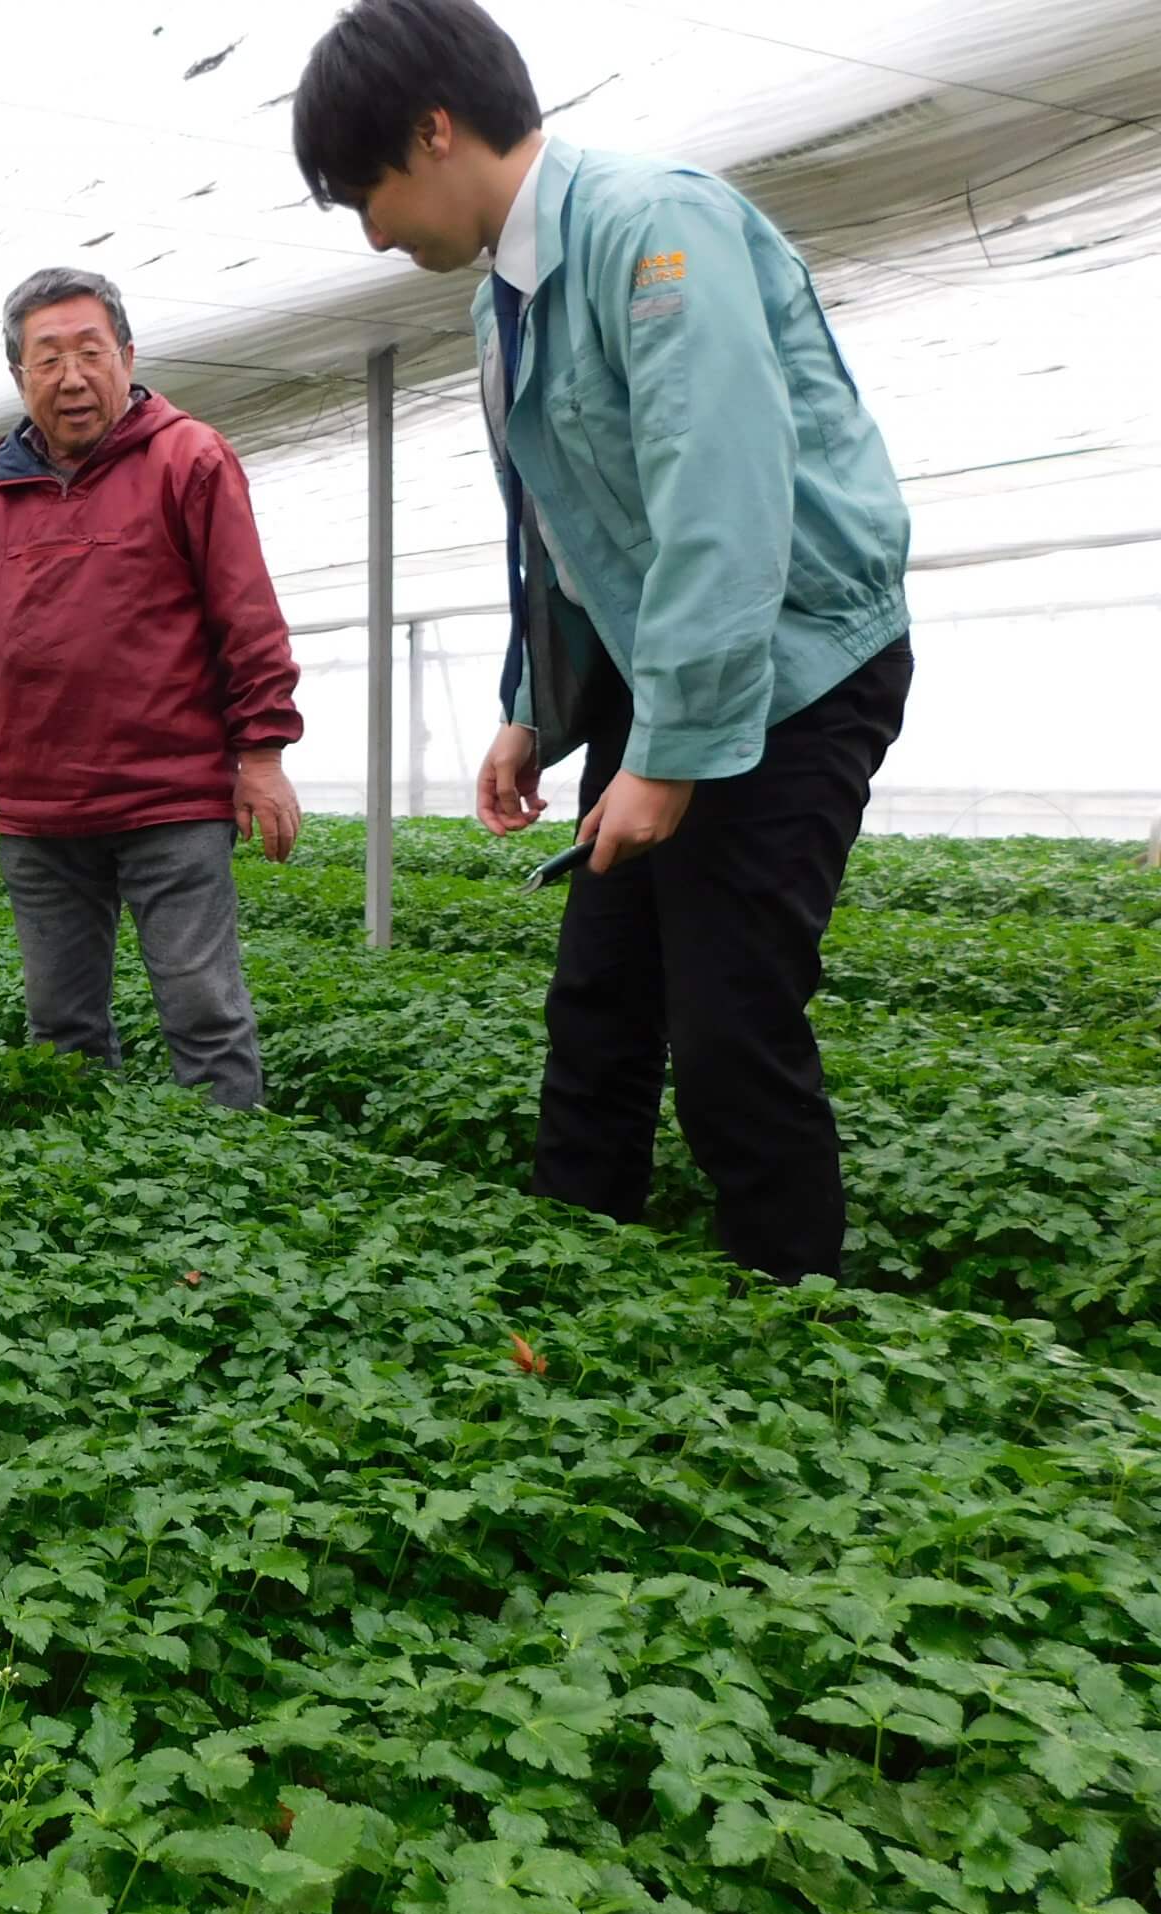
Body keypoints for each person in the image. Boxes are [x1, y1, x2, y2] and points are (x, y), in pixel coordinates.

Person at [292, 0, 915, 1282]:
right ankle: (574, 1294)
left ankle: (796, 1319)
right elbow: (567, 538)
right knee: (599, 1005)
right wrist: (539, 709)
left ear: (436, 128)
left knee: (730, 1024)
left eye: (367, 192)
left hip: (791, 664)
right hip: (666, 672)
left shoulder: (653, 227)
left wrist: (668, 755)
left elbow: (720, 502)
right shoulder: (499, 307)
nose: (370, 231)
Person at [0, 269, 305, 1111]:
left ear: (127, 357)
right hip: (41, 816)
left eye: (90, 352)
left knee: (205, 1016)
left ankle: (225, 1196)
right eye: (47, 358)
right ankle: (87, 1207)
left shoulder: (188, 458)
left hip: (171, 802)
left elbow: (246, 615)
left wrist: (263, 757)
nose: (71, 377)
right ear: (20, 376)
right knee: (60, 1031)